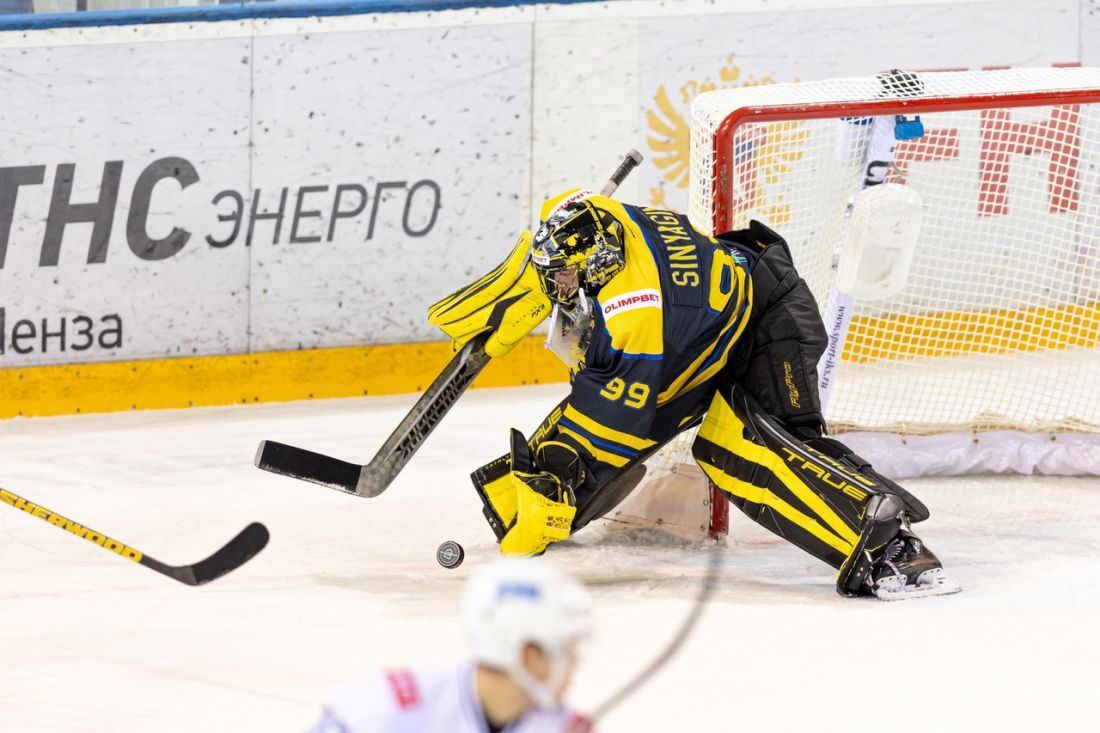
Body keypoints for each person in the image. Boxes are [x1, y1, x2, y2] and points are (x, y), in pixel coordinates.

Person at [428, 189, 960, 601]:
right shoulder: (597, 213)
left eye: (568, 275)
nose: (561, 284)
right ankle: (515, 504)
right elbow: (559, 220)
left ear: (598, 263)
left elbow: (610, 421)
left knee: (741, 450)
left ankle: (889, 544)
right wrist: (529, 281)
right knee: (607, 420)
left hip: (767, 324)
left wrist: (564, 466)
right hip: (697, 338)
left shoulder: (635, 317)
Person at [310, 557, 594, 732]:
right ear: (528, 656)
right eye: (566, 648)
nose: (576, 663)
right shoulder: (384, 710)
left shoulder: (564, 727)